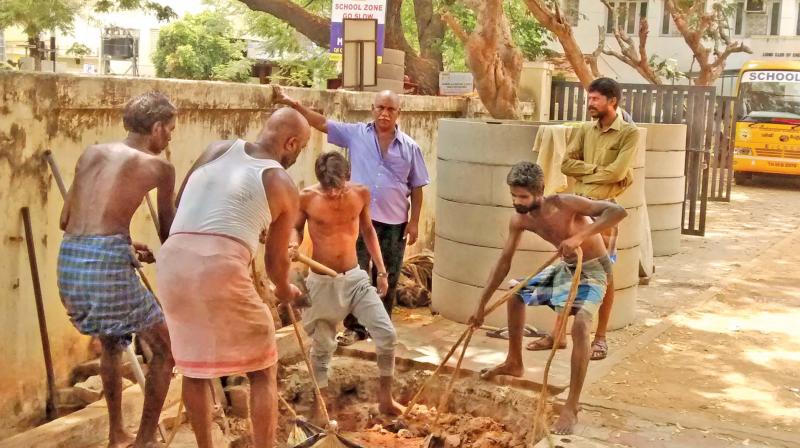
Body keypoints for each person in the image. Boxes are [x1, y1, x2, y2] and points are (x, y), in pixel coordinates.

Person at [155, 108, 309, 448]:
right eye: (300, 149)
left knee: (194, 368)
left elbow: (181, 206)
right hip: (219, 266)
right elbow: (275, 263)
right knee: (262, 367)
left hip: (172, 263)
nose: (297, 156)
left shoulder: (217, 149)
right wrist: (285, 290)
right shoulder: (281, 182)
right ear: (291, 142)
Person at [57, 91, 177, 448]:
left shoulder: (91, 153)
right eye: (169, 130)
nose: (170, 137)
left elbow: (67, 220)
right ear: (156, 128)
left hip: (70, 260)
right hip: (106, 264)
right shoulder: (160, 167)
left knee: (112, 344)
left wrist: (122, 243)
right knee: (167, 350)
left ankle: (116, 435)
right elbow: (168, 234)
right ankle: (144, 442)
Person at [471, 162, 627, 435]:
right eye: (514, 195)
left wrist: (580, 236)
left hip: (594, 270)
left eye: (523, 197)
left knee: (580, 325)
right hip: (566, 268)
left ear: (540, 190)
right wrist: (480, 306)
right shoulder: (519, 219)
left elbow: (617, 211)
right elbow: (504, 262)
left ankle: (571, 405)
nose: (517, 202)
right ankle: (514, 361)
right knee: (515, 294)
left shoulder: (564, 203)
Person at [273, 86, 430, 346]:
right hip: (358, 220)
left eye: (390, 109)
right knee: (355, 273)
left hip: (394, 222)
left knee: (388, 273)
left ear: (398, 113)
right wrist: (294, 105)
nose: (384, 113)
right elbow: (323, 123)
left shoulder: (410, 148)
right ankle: (355, 327)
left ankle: (381, 324)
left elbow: (417, 186)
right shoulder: (357, 134)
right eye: (380, 107)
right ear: (373, 109)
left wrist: (414, 222)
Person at [532, 77, 640, 361]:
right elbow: (566, 164)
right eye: (588, 98)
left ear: (612, 101)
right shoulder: (583, 129)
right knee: (567, 270)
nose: (589, 104)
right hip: (578, 211)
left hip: (605, 214)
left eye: (595, 99)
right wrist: (598, 170)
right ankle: (557, 335)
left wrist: (587, 172)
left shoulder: (629, 133)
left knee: (605, 277)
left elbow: (619, 174)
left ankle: (600, 338)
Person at [291, 151, 404, 418]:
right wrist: (293, 244)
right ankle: (321, 410)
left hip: (355, 278)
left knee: (386, 334)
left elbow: (367, 230)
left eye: (338, 188)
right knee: (322, 349)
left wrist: (381, 271)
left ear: (348, 177)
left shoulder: (361, 194)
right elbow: (294, 228)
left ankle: (386, 399)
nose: (332, 194)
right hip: (321, 282)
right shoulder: (307, 197)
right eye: (327, 188)